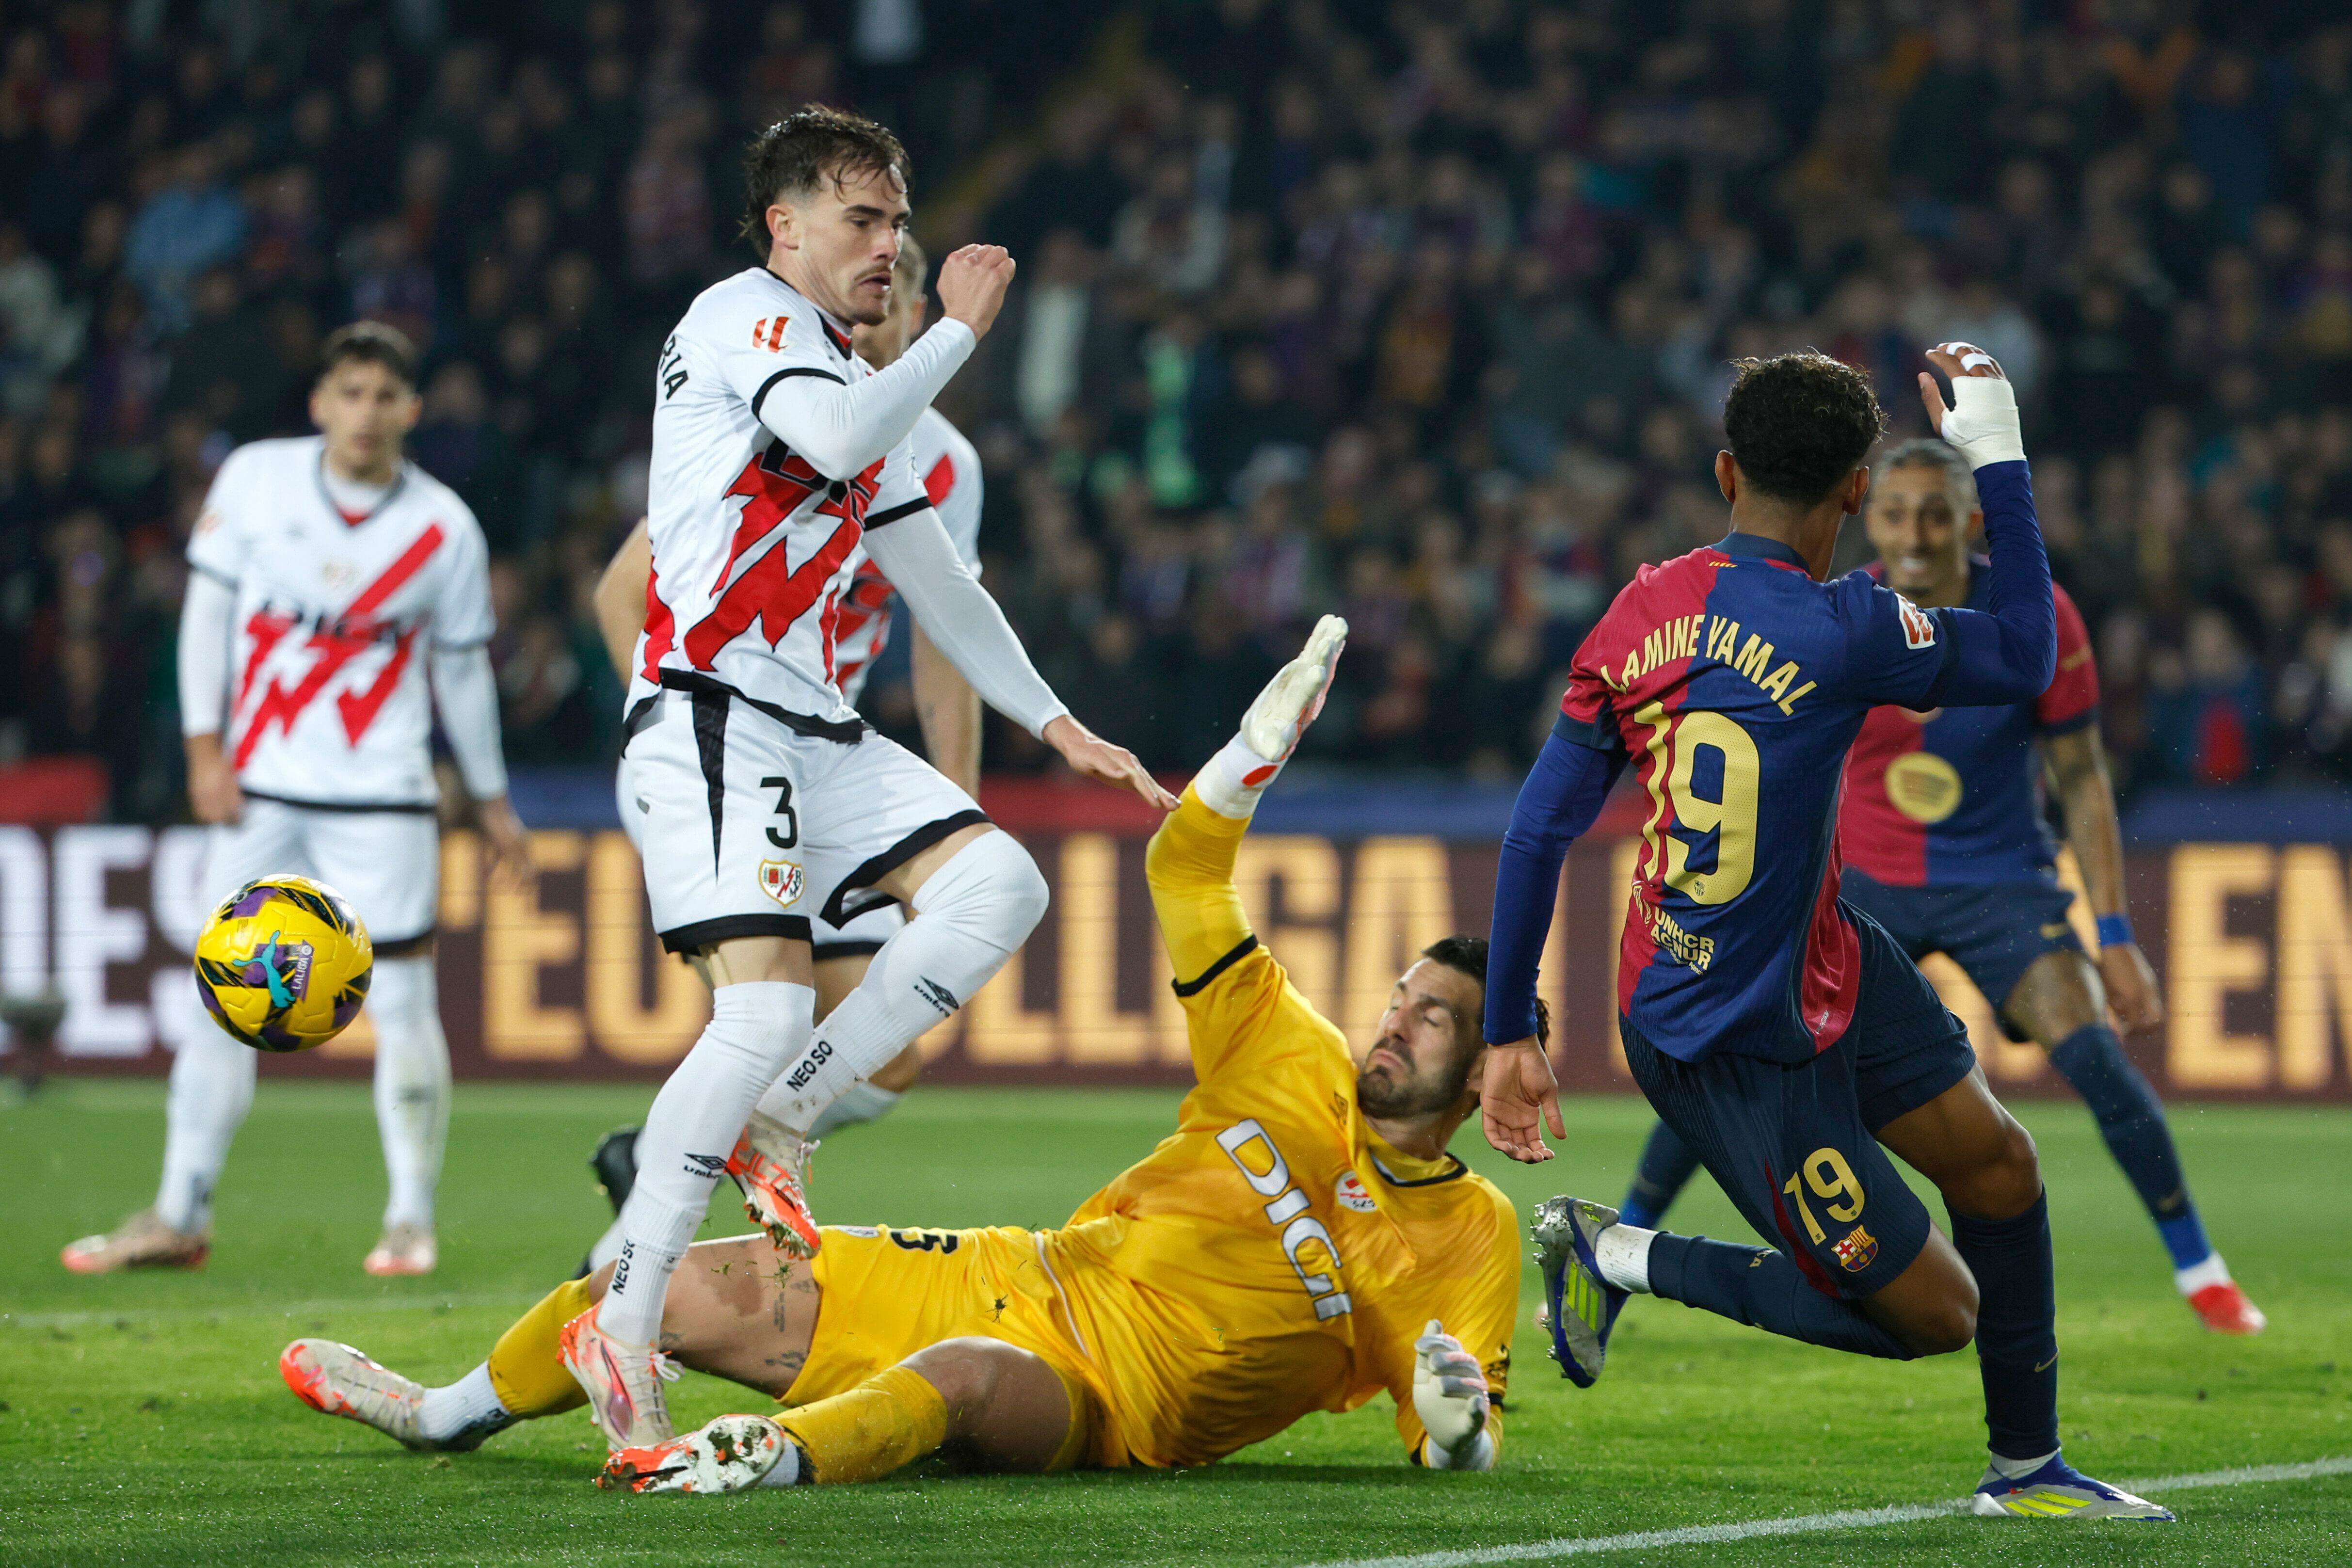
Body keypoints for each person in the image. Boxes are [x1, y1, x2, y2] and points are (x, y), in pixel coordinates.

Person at [277, 618, 1520, 1495]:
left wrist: (1457, 1433)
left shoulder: (1473, 1237)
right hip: (1022, 1270)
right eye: (1399, 998)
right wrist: (1250, 756)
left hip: (1115, 1406)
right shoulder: (1282, 1046)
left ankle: (774, 1457)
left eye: (1433, 1019)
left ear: (1482, 1071)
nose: (1392, 1024)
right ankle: (440, 1416)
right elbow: (1183, 866)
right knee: (656, 1293)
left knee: (966, 1381)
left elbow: (1450, 1431)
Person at [1482, 346, 2174, 1520]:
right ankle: (1614, 1254)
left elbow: (1538, 831)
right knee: (1931, 1315)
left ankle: (2027, 1473)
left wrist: (1510, 1031)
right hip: (1729, 1046)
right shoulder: (1850, 628)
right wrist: (1995, 455)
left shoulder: (1639, 611)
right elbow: (2021, 651)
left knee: (2000, 1170)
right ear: (1857, 490)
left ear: (1723, 471)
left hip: (1823, 962)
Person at [575, 106, 1171, 1456]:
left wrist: (1055, 720)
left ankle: (791, 1110)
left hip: (808, 720)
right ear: (784, 226)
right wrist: (960, 330)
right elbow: (839, 446)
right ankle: (619, 1326)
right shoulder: (740, 321)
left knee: (1000, 882)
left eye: (898, 221)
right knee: (762, 1002)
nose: (890, 246)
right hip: (707, 703)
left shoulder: (852, 374)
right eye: (862, 218)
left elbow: (933, 577)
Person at [1614, 438, 2263, 1336]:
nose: (1915, 534)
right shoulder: (1842, 615)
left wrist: (2114, 934)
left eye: (1935, 512)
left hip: (2001, 883)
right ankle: (1626, 1235)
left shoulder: (2039, 617)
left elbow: (2082, 777)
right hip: (1867, 883)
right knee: (1735, 1058)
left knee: (2096, 1059)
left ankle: (2202, 1268)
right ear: (1866, 516)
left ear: (1968, 516)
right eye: (1895, 512)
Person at [62, 321, 529, 1280]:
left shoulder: (443, 529)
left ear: (410, 410)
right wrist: (203, 746)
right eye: (349, 392)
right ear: (321, 403)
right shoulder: (256, 483)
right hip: (259, 786)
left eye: (383, 396)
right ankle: (179, 1212)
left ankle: (408, 1220)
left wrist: (490, 800)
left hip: (382, 797)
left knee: (400, 999)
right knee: (217, 1001)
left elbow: (463, 678)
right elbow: (207, 619)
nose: (365, 413)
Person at [571, 234, 984, 1278]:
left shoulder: (944, 463)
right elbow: (623, 593)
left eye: (901, 304)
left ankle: (663, 1170)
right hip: (717, 748)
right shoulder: (772, 408)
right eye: (871, 299)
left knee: (886, 1061)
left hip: (826, 771)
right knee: (766, 1021)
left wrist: (955, 817)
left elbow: (947, 652)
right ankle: (617, 1282)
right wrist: (681, 723)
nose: (881, 321)